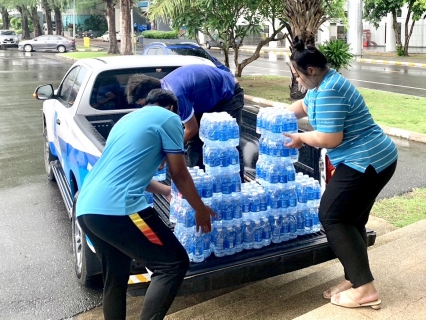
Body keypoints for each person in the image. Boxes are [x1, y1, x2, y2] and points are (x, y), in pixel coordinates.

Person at [76, 88, 215, 320]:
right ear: (171, 108)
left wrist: (166, 191)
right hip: (120, 210)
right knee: (173, 263)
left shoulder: (126, 121)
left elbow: (129, 172)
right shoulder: (170, 118)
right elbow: (179, 172)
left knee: (115, 278)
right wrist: (200, 209)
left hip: (88, 210)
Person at [284, 36, 398, 310]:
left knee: (332, 215)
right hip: (373, 158)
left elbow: (330, 138)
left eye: (297, 74)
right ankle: (355, 279)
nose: (296, 79)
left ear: (310, 70)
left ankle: (365, 289)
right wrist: (276, 116)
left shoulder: (330, 91)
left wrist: (302, 138)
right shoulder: (322, 84)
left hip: (367, 162)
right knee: (351, 220)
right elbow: (302, 106)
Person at [126, 64, 245, 180]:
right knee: (195, 142)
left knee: (228, 143)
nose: (146, 108)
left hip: (228, 93)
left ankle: (237, 186)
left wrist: (168, 153)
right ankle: (198, 181)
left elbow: (191, 129)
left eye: (144, 104)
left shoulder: (176, 94)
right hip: (206, 98)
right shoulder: (164, 88)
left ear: (150, 94)